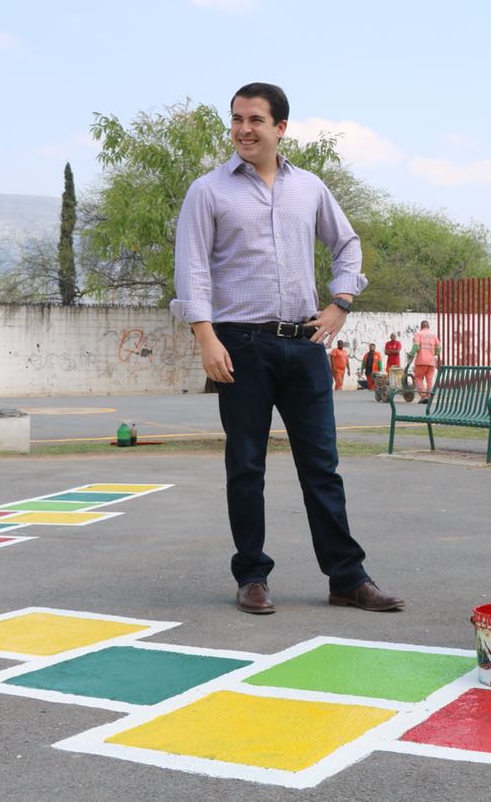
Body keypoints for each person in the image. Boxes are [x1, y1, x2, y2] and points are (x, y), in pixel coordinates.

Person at [170, 81, 403, 615]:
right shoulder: (208, 191)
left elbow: (346, 244)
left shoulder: (310, 188)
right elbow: (193, 267)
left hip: (304, 346)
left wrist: (342, 301)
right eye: (236, 120)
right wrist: (205, 336)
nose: (243, 130)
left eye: (254, 120)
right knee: (246, 464)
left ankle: (346, 577)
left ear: (280, 127)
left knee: (322, 465)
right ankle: (252, 575)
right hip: (240, 345)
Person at [410, 320, 441, 401]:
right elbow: (438, 347)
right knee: (429, 379)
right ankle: (429, 396)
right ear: (428, 326)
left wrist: (411, 354)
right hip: (431, 362)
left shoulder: (419, 334)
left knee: (418, 378)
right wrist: (434, 353)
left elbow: (416, 346)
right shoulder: (433, 335)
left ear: (421, 327)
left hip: (421, 361)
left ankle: (423, 396)